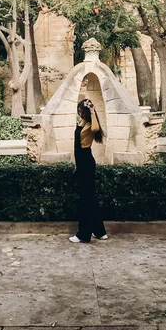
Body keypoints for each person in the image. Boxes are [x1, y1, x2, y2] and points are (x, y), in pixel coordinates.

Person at [69, 98, 108, 243]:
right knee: (90, 198)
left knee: (85, 199)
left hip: (86, 162)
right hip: (82, 162)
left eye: (81, 111)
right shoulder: (83, 123)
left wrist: (92, 110)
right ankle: (99, 231)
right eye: (78, 111)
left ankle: (83, 235)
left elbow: (96, 129)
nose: (79, 114)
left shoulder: (91, 124)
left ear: (86, 111)